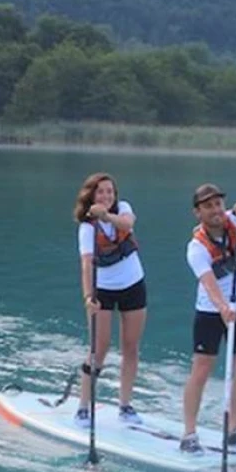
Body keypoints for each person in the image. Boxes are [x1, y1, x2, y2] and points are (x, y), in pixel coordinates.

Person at [180, 183, 236, 454]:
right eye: (208, 206)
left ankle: (235, 429)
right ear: (198, 213)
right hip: (210, 311)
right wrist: (222, 308)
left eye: (218, 204)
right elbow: (208, 283)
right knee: (202, 369)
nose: (216, 210)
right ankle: (189, 434)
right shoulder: (196, 248)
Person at [73, 172, 147, 427]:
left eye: (110, 192)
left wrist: (106, 216)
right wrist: (88, 297)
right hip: (102, 289)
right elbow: (86, 264)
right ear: (91, 196)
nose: (106, 196)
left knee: (131, 346)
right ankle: (83, 405)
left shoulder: (123, 209)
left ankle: (125, 405)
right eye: (101, 192)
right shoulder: (86, 228)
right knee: (99, 348)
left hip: (133, 284)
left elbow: (127, 225)